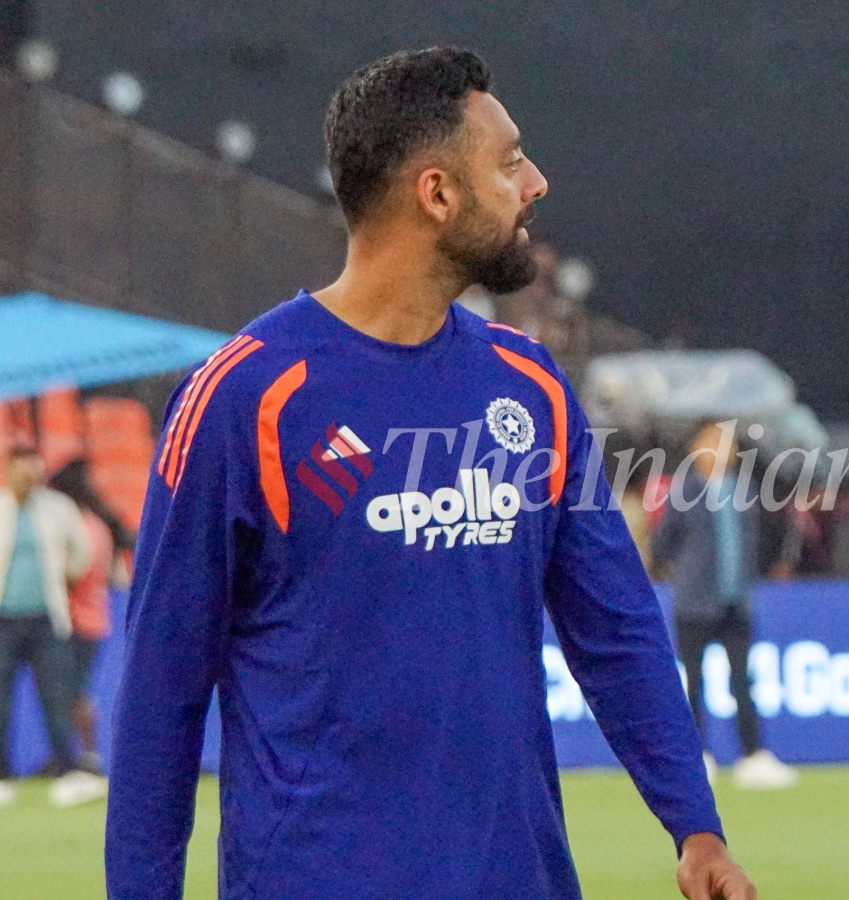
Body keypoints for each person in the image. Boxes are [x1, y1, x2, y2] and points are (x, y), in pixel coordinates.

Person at [106, 48, 754, 900]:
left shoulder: (531, 388)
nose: (537, 184)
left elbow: (619, 628)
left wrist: (695, 825)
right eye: (511, 161)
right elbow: (162, 693)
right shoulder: (245, 398)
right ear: (438, 194)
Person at [654, 421, 799, 790]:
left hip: (734, 600)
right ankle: (695, 755)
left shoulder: (744, 490)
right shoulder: (683, 491)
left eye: (727, 446)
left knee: (742, 681)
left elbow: (755, 541)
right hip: (693, 602)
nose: (722, 453)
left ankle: (752, 755)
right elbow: (664, 543)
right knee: (694, 682)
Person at [0, 445, 100, 806]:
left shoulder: (57, 508)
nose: (28, 476)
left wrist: (65, 580)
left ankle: (69, 771)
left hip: (47, 618)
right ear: (9, 469)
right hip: (4, 620)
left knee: (58, 697)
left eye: (33, 468)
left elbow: (83, 552)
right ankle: (1, 775)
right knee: (1, 699)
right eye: (21, 468)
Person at [49, 458, 135, 775]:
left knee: (73, 692)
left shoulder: (80, 526)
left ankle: (85, 757)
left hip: (77, 619)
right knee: (74, 691)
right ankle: (82, 756)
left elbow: (77, 573)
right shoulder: (98, 523)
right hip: (95, 618)